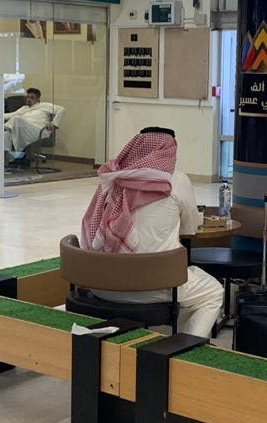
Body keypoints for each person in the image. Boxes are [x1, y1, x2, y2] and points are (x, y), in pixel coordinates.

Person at [80, 126, 223, 338]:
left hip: (101, 283)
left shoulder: (111, 178)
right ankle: (186, 349)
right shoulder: (175, 180)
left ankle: (170, 341)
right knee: (213, 291)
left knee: (186, 287)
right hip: (154, 285)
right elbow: (190, 228)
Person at [4, 87, 62, 161]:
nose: (29, 99)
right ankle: (5, 160)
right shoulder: (24, 108)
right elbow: (11, 115)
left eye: (32, 98)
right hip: (25, 130)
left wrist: (53, 123)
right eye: (28, 97)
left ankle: (6, 130)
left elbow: (61, 109)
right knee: (5, 134)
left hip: (39, 130)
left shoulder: (45, 105)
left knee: (16, 119)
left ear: (38, 99)